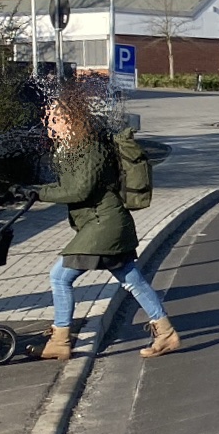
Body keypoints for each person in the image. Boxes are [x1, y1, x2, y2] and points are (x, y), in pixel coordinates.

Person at [33, 95, 179, 361]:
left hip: (105, 225)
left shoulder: (90, 149)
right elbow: (72, 186)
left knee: (60, 277)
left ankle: (60, 340)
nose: (48, 123)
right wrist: (33, 191)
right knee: (131, 278)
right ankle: (165, 332)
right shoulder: (74, 147)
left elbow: (79, 190)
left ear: (70, 120)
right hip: (104, 224)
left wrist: (39, 193)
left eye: (53, 118)